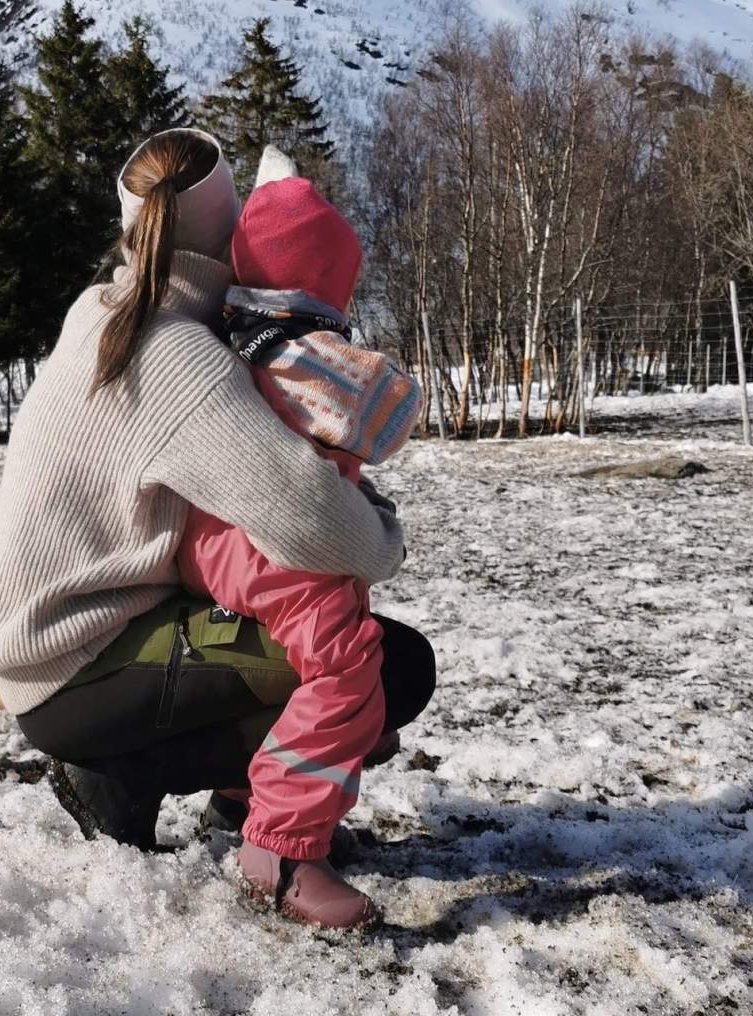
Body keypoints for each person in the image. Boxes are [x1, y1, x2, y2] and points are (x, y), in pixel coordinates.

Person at [0, 128, 436, 929]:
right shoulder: (178, 355)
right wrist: (384, 534)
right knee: (390, 668)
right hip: (83, 667)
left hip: (52, 650)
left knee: (301, 632)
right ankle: (136, 784)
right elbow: (318, 524)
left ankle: (224, 792)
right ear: (234, 233)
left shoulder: (104, 312)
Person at [175, 146, 422, 928]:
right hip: (271, 544)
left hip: (217, 541)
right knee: (345, 663)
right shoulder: (297, 349)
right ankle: (281, 848)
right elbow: (388, 418)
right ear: (322, 277)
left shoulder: (226, 336)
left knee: (294, 662)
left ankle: (247, 798)